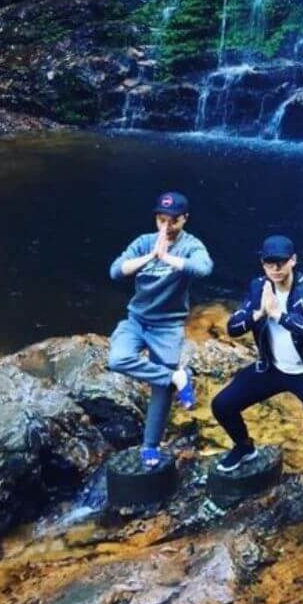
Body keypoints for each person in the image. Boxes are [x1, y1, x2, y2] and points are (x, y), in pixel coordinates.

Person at [211, 234, 303, 488]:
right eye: (269, 263)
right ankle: (244, 446)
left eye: (281, 262)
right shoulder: (258, 286)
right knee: (222, 404)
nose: (275, 268)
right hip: (271, 368)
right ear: (263, 264)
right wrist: (259, 312)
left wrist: (278, 314)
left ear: (293, 260)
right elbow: (233, 328)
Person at [108, 190, 212, 467]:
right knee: (118, 359)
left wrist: (167, 259)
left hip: (168, 326)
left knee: (160, 389)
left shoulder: (191, 245)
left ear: (184, 219)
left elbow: (203, 268)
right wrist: (152, 255)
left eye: (172, 221)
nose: (166, 226)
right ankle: (177, 376)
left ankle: (150, 446)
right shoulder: (143, 242)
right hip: (137, 321)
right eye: (161, 220)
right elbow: (116, 271)